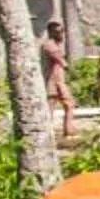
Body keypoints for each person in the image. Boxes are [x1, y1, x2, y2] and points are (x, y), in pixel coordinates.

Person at [39, 16, 74, 144]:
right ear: (51, 32)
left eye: (62, 31)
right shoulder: (49, 46)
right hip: (52, 82)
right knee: (50, 109)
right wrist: (71, 69)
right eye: (58, 32)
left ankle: (68, 132)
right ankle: (47, 134)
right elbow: (61, 61)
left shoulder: (54, 45)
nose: (61, 34)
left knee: (69, 105)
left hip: (59, 81)